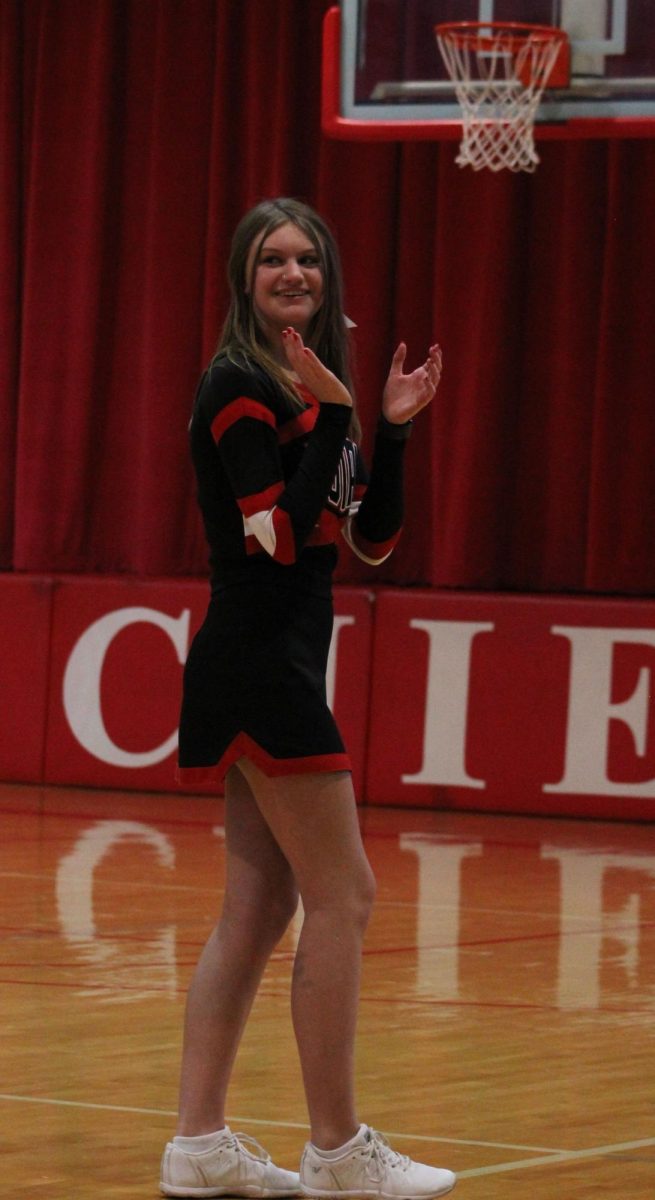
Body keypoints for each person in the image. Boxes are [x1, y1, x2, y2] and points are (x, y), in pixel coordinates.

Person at [160, 198, 455, 1199]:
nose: (293, 274)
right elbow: (272, 542)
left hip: (274, 657)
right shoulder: (240, 386)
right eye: (272, 260)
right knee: (347, 893)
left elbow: (368, 538)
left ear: (326, 280)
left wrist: (391, 429)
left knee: (259, 906)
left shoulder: (311, 388)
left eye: (309, 262)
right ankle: (336, 1152)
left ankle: (198, 1146)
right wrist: (331, 417)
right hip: (257, 661)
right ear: (244, 279)